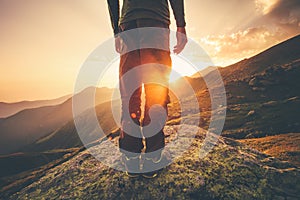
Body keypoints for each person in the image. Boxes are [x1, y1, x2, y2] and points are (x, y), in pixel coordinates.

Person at [107, 0, 187, 178]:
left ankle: (131, 157)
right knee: (156, 90)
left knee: (130, 91)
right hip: (155, 19)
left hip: (128, 25)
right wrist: (181, 24)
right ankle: (152, 158)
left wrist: (116, 30)